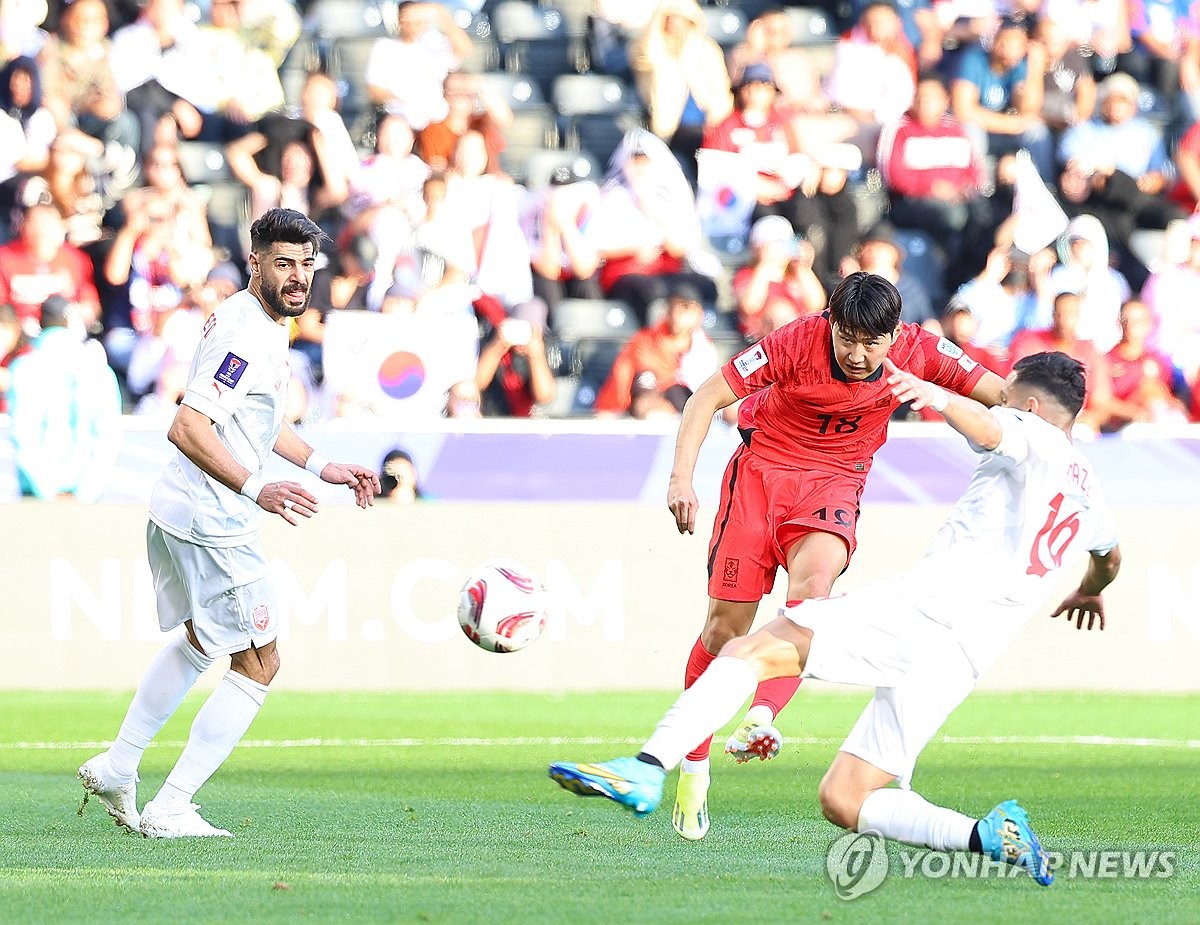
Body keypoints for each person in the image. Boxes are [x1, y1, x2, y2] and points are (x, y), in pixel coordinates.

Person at [550, 351, 1121, 889]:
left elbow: (991, 428)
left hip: (925, 614)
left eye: (1008, 399)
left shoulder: (1031, 434)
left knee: (750, 650)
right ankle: (985, 834)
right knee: (846, 798)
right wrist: (1089, 591)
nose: (1000, 405)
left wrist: (933, 394)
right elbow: (1109, 558)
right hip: (963, 658)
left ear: (1031, 408)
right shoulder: (1088, 486)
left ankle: (648, 766)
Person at [653, 272, 1005, 841]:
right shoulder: (795, 342)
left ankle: (761, 716)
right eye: (848, 339)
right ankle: (694, 766)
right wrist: (681, 479)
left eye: (874, 343)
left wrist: (1038, 440)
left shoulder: (919, 348)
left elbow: (1002, 394)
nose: (860, 355)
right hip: (760, 473)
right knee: (724, 632)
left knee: (813, 595)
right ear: (831, 326)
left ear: (895, 336)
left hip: (834, 484)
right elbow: (707, 396)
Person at [77, 208, 382, 839]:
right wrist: (257, 486)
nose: (299, 277)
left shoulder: (264, 324)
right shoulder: (245, 334)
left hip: (180, 509)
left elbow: (258, 421)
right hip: (215, 520)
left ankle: (119, 763)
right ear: (256, 262)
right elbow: (188, 424)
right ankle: (171, 806)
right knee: (261, 660)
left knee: (202, 640)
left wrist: (322, 464)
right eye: (284, 264)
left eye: (306, 264)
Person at [7, 295, 121, 499]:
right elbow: (107, 439)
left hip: (36, 495)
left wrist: (47, 491)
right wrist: (85, 494)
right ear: (70, 324)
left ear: (41, 323)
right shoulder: (98, 370)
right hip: (86, 496)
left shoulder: (23, 368)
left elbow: (23, 435)